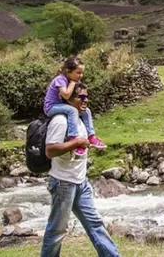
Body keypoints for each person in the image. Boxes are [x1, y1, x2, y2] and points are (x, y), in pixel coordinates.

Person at [41, 82, 120, 257]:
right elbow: (50, 150)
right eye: (81, 97)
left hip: (80, 181)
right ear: (67, 98)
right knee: (57, 232)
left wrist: (86, 143)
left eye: (87, 97)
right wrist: (76, 143)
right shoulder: (60, 121)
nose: (85, 100)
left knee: (95, 225)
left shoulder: (79, 118)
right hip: (63, 183)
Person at [44, 57, 106, 155]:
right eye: (78, 73)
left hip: (61, 104)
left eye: (82, 73)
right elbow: (66, 95)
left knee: (87, 111)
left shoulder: (69, 79)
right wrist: (73, 83)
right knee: (72, 110)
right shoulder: (60, 79)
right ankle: (73, 138)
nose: (81, 75)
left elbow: (79, 91)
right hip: (52, 106)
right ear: (68, 71)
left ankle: (91, 136)